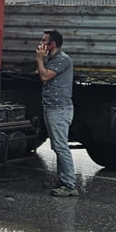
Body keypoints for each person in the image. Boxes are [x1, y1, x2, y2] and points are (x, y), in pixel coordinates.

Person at [37, 29, 77, 197]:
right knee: (57, 146)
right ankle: (63, 180)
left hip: (59, 109)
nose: (41, 44)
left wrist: (39, 59)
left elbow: (45, 76)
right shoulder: (53, 59)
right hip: (51, 107)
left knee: (61, 147)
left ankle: (69, 185)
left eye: (45, 40)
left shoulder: (62, 60)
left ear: (52, 44)